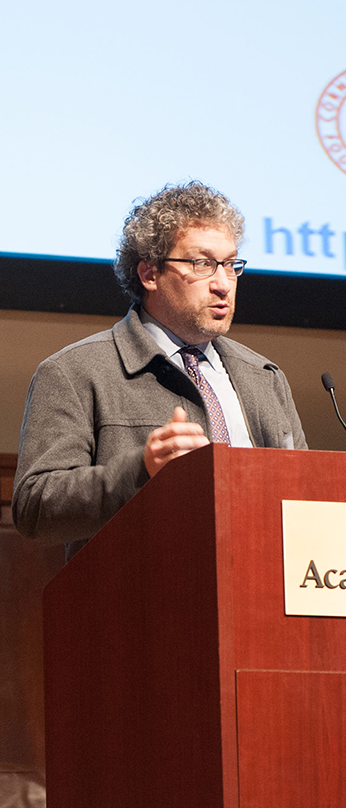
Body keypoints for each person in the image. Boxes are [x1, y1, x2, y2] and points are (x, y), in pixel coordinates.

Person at [13, 181, 307, 558]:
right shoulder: (74, 372)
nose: (223, 284)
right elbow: (34, 509)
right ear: (149, 274)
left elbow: (304, 499)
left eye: (231, 265)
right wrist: (140, 469)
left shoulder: (264, 377)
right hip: (145, 588)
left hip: (259, 581)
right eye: (202, 264)